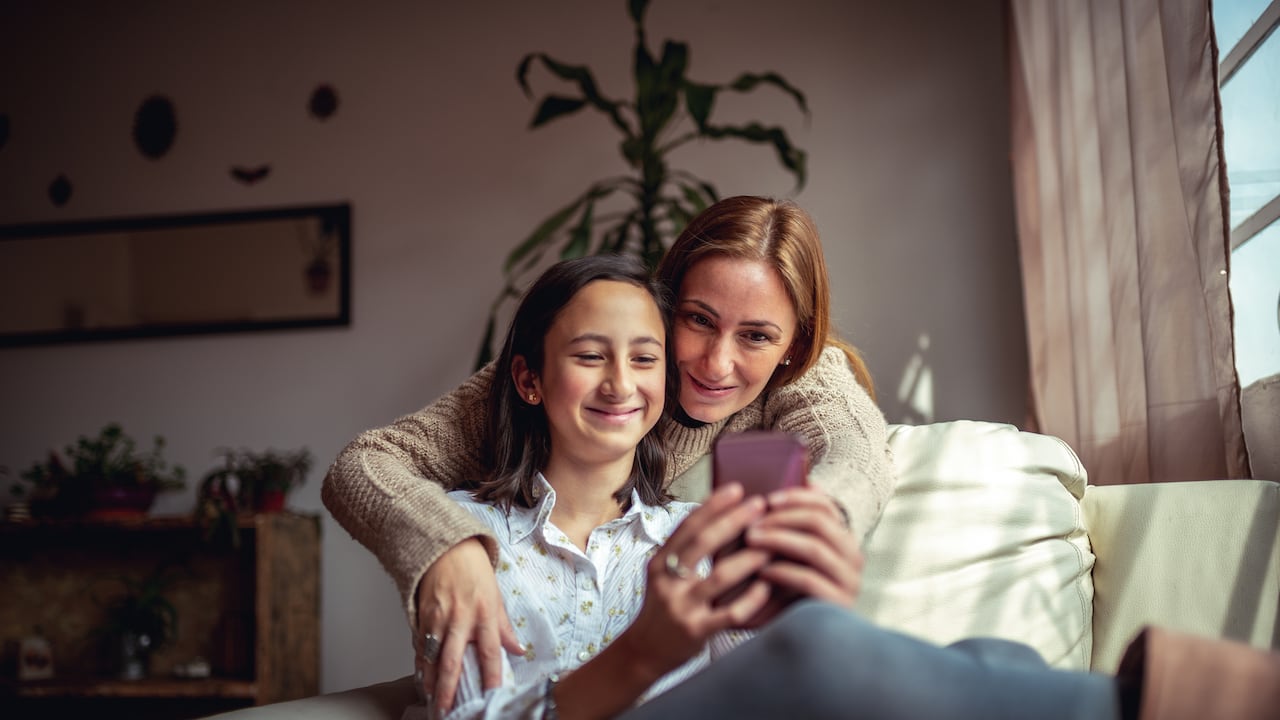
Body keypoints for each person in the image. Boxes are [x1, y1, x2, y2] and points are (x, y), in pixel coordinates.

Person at [404, 253, 1123, 720]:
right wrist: (646, 652)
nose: (622, 382)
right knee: (828, 648)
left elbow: (779, 679)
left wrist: (804, 589)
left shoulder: (686, 534)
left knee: (1002, 659)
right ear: (528, 379)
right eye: (591, 356)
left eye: (645, 358)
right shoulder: (462, 540)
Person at [323, 196, 895, 712]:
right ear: (664, 307)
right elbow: (367, 463)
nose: (716, 364)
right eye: (697, 320)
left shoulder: (793, 388)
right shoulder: (567, 363)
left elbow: (856, 456)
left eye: (756, 336)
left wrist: (813, 532)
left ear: (792, 346)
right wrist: (447, 546)